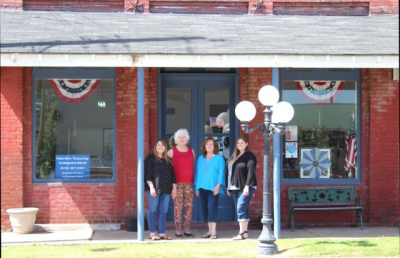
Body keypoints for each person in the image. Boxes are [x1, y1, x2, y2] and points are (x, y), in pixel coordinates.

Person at [144, 139, 177, 240]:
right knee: (153, 210)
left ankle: (162, 233)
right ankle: (152, 233)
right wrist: (151, 187)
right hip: (154, 189)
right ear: (155, 146)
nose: (161, 147)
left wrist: (174, 188)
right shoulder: (150, 158)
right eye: (159, 145)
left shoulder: (168, 159)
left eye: (163, 145)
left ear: (165, 147)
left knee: (163, 211)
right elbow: (147, 175)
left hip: (166, 189)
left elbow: (173, 175)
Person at [226, 136, 257, 240]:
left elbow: (251, 171)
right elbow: (230, 173)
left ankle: (241, 233)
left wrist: (247, 186)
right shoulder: (235, 156)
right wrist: (228, 187)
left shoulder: (249, 155)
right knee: (242, 209)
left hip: (245, 186)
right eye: (238, 143)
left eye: (242, 143)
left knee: (240, 208)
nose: (240, 145)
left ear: (246, 144)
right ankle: (245, 233)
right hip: (234, 187)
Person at [195, 137, 225, 239]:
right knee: (205, 209)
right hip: (202, 187)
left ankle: (214, 232)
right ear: (204, 146)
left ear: (214, 146)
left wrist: (218, 186)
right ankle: (209, 231)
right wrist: (196, 187)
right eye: (207, 144)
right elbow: (198, 173)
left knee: (212, 208)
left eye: (211, 144)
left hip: (213, 188)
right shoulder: (200, 158)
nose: (209, 146)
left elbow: (221, 172)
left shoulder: (219, 158)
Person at [167, 128, 196, 238]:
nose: (182, 139)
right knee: (178, 208)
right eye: (180, 137)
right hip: (177, 184)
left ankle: (187, 229)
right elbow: (167, 169)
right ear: (176, 139)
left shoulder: (191, 151)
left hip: (189, 184)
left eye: (184, 137)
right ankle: (178, 230)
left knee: (189, 207)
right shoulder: (171, 151)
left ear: (187, 139)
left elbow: (191, 166)